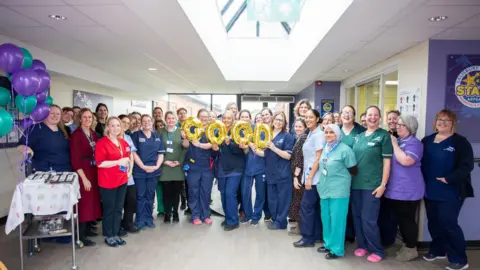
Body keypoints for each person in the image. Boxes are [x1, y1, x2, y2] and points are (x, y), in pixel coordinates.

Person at [421, 109, 474, 270]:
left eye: (446, 120)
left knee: (448, 222)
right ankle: (438, 250)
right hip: (430, 189)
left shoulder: (460, 142)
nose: (442, 123)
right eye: (439, 120)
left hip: (451, 190)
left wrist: (448, 178)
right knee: (434, 222)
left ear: (453, 124)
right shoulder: (427, 140)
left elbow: (467, 166)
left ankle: (460, 259)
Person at [17, 104, 72, 244]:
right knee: (47, 204)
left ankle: (62, 233)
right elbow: (21, 144)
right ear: (44, 114)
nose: (54, 116)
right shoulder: (36, 128)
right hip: (45, 172)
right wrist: (26, 150)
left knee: (63, 203)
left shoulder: (63, 130)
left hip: (64, 171)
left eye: (57, 114)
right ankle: (46, 234)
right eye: (51, 113)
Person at [351, 106, 392, 263]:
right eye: (370, 115)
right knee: (357, 217)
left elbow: (387, 163)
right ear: (365, 117)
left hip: (372, 185)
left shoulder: (383, 136)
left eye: (376, 115)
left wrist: (383, 184)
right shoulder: (359, 137)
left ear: (379, 118)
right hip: (356, 184)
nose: (372, 118)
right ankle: (363, 245)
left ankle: (377, 249)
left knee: (369, 219)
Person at [384, 115, 424, 262]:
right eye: (398, 124)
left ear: (411, 128)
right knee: (401, 220)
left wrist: (394, 144)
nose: (398, 127)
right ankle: (407, 245)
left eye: (402, 125)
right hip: (396, 189)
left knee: (407, 220)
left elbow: (406, 160)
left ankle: (411, 248)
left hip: (408, 190)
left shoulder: (414, 143)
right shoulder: (400, 141)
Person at [317, 124, 357, 260]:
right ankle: (328, 243)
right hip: (324, 189)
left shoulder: (345, 150)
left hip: (339, 191)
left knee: (337, 220)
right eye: (326, 132)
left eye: (331, 133)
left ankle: (337, 249)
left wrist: (340, 179)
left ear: (338, 135)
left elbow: (353, 170)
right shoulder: (326, 148)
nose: (328, 135)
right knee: (326, 218)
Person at [95, 116, 131, 247]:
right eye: (112, 125)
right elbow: (99, 163)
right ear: (107, 127)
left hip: (122, 180)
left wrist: (129, 171)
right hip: (107, 181)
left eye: (118, 125)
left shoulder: (123, 143)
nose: (115, 128)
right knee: (110, 209)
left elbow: (128, 158)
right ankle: (108, 235)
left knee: (118, 208)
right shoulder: (102, 143)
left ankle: (116, 233)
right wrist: (117, 162)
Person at [70, 108, 102, 247]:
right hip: (83, 172)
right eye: (85, 117)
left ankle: (88, 230)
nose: (88, 119)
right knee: (84, 204)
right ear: (80, 119)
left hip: (93, 170)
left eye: (90, 117)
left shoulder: (93, 134)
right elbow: (75, 159)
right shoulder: (76, 135)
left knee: (92, 202)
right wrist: (83, 178)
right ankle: (80, 237)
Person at [293, 109, 325, 247]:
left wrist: (310, 178)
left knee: (306, 207)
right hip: (310, 176)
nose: (308, 119)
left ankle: (307, 238)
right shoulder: (310, 134)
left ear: (317, 119)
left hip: (314, 178)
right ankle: (317, 235)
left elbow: (319, 157)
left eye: (311, 117)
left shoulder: (319, 135)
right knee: (314, 207)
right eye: (306, 117)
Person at [260, 111, 294, 230]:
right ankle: (275, 219)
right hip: (270, 173)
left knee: (283, 199)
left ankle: (281, 222)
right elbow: (265, 154)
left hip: (282, 173)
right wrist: (254, 149)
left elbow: (288, 155)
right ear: (273, 120)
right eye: (277, 119)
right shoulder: (267, 134)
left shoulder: (287, 136)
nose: (278, 122)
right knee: (272, 199)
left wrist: (274, 148)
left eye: (281, 120)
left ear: (284, 123)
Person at [212, 110, 245, 231]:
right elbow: (213, 151)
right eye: (224, 118)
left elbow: (240, 151)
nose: (226, 120)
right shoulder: (216, 131)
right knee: (223, 194)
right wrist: (214, 149)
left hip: (235, 168)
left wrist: (229, 143)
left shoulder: (239, 131)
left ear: (233, 119)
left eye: (229, 118)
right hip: (221, 168)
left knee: (230, 193)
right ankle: (228, 217)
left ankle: (233, 221)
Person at [131, 115, 165, 230]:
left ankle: (149, 219)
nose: (146, 123)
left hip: (153, 171)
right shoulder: (135, 136)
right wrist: (143, 166)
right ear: (140, 122)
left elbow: (161, 153)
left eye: (149, 121)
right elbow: (133, 153)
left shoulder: (157, 136)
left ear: (152, 122)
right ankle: (140, 220)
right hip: (140, 171)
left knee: (150, 195)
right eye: (144, 121)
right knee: (141, 196)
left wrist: (157, 166)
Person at [339, 105, 365, 242]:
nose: (347, 115)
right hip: (338, 176)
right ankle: (340, 234)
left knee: (354, 206)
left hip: (356, 174)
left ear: (354, 116)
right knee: (340, 205)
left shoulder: (361, 131)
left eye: (349, 113)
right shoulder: (335, 130)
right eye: (344, 112)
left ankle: (351, 234)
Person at [184, 109, 215, 225]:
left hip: (207, 167)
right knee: (193, 191)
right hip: (193, 166)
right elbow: (185, 145)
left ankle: (205, 215)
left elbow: (213, 144)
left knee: (206, 192)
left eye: (206, 117)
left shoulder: (211, 130)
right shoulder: (191, 129)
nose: (204, 119)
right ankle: (195, 215)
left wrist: (199, 144)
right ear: (197, 117)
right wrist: (186, 137)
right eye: (201, 116)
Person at [158, 112, 187, 223]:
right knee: (166, 192)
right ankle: (167, 213)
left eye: (173, 118)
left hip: (177, 166)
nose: (171, 120)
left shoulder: (181, 132)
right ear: (165, 120)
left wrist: (179, 162)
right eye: (168, 118)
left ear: (176, 119)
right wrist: (165, 161)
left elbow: (185, 148)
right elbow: (158, 148)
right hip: (165, 166)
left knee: (176, 192)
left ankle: (175, 213)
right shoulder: (160, 132)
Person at [238, 110, 266, 226]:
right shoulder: (238, 130)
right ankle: (248, 214)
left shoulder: (259, 129)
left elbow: (265, 146)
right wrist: (246, 146)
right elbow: (243, 151)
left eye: (247, 117)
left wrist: (253, 146)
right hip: (247, 167)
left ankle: (256, 215)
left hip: (261, 166)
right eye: (242, 117)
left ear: (250, 118)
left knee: (260, 193)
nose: (245, 119)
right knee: (245, 193)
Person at [379, 109, 401, 247]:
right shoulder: (384, 135)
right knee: (383, 210)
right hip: (383, 176)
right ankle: (382, 237)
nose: (392, 121)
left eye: (395, 118)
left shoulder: (403, 136)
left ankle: (389, 239)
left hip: (397, 179)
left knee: (393, 211)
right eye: (390, 118)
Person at [118, 115, 138, 234]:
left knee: (131, 200)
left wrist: (130, 171)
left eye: (127, 122)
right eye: (123, 122)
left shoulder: (128, 138)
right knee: (119, 202)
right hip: (115, 175)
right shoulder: (110, 138)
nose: (125, 124)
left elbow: (132, 155)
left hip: (128, 175)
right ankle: (118, 225)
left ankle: (128, 223)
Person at [288, 118, 307, 235]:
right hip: (297, 174)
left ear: (305, 128)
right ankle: (300, 227)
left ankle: (303, 229)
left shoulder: (303, 138)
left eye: (300, 126)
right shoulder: (298, 138)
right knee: (297, 200)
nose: (298, 128)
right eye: (296, 126)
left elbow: (300, 159)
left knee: (300, 201)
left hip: (299, 176)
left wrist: (296, 176)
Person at [259, 107, 274, 221]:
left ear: (271, 115)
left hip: (275, 163)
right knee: (263, 190)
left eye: (267, 114)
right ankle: (267, 213)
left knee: (273, 190)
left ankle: (274, 213)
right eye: (263, 115)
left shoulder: (276, 129)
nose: (265, 116)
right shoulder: (260, 129)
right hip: (262, 162)